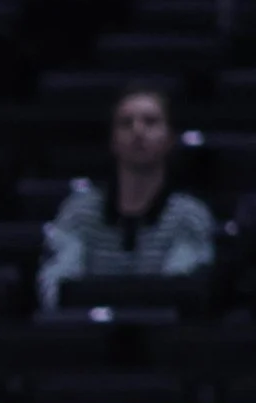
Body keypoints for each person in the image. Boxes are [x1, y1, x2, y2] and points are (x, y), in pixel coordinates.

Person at [38, 84, 215, 309]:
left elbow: (178, 290)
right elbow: (56, 287)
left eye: (150, 122)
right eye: (126, 123)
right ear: (112, 140)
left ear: (170, 138)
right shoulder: (78, 211)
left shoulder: (189, 214)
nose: (137, 131)